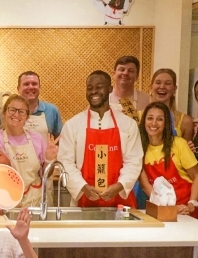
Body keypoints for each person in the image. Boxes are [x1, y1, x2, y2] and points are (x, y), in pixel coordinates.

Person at [58, 70, 143, 207]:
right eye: (90, 88)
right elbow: (65, 162)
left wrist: (120, 185)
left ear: (110, 89)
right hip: (84, 200)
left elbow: (134, 161)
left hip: (120, 203)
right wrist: (83, 186)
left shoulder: (128, 124)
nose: (93, 92)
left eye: (99, 87)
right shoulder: (72, 125)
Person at [138, 102, 198, 216]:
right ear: (144, 121)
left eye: (160, 119)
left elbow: (197, 176)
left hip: (187, 208)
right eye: (150, 118)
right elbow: (145, 186)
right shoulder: (138, 149)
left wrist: (191, 204)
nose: (154, 123)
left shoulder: (179, 144)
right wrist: (166, 207)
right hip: (163, 208)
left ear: (166, 123)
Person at [0, 94, 57, 208]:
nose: (16, 114)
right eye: (12, 110)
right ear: (4, 113)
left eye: (21, 111)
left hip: (36, 200)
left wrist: (49, 159)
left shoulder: (37, 138)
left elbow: (44, 174)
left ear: (27, 117)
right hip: (8, 200)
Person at [0, 71, 62, 146]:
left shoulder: (51, 110)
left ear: (39, 87)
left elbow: (61, 141)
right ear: (18, 88)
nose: (31, 87)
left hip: (43, 157)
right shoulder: (5, 112)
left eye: (34, 84)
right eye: (26, 84)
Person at [147, 69, 194, 140]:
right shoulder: (139, 116)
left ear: (174, 89)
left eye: (168, 83)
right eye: (158, 82)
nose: (162, 86)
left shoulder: (185, 121)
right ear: (151, 87)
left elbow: (186, 150)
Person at [109, 55, 150, 120]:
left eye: (130, 71)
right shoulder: (102, 100)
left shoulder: (147, 100)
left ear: (137, 76)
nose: (125, 73)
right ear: (114, 74)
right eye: (122, 69)